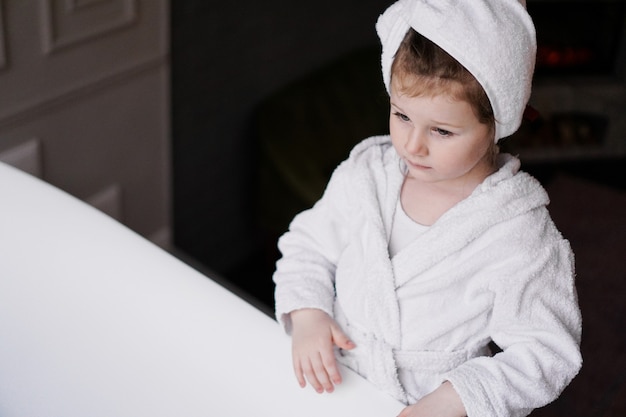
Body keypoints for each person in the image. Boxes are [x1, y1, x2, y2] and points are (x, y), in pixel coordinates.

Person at [272, 0, 583, 416]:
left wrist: (457, 398)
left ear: (497, 124)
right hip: (336, 381)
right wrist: (308, 314)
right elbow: (308, 244)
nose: (412, 145)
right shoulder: (369, 175)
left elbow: (546, 351)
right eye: (401, 116)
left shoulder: (518, 232)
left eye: (441, 130)